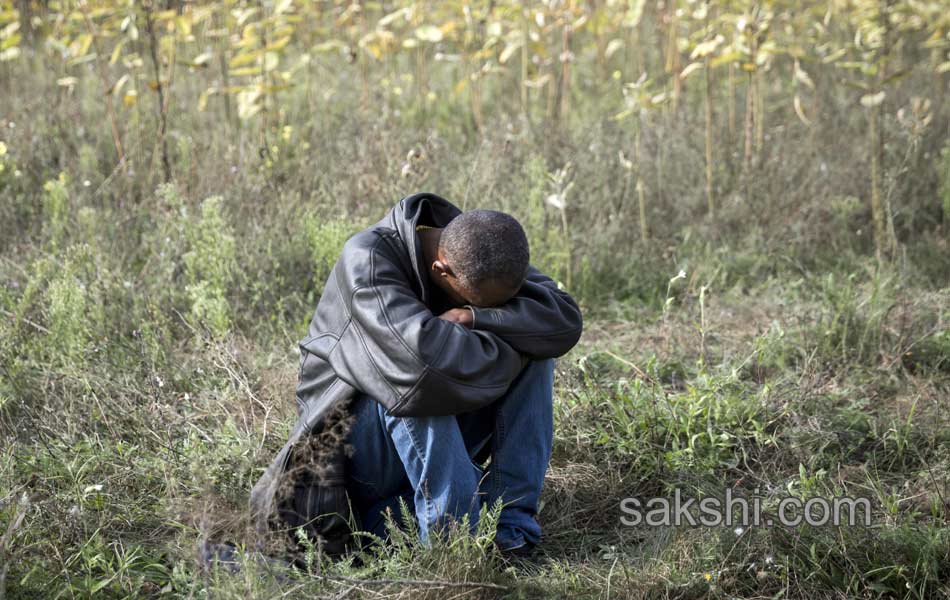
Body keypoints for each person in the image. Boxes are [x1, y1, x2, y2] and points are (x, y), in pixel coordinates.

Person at [249, 192, 582, 559]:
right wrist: (510, 339)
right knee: (411, 382)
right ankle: (452, 543)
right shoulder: (367, 261)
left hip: (426, 458)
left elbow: (562, 320)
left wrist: (476, 316)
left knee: (537, 352)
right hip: (354, 477)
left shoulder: (481, 248)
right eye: (478, 302)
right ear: (442, 270)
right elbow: (420, 368)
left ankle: (510, 531)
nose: (489, 307)